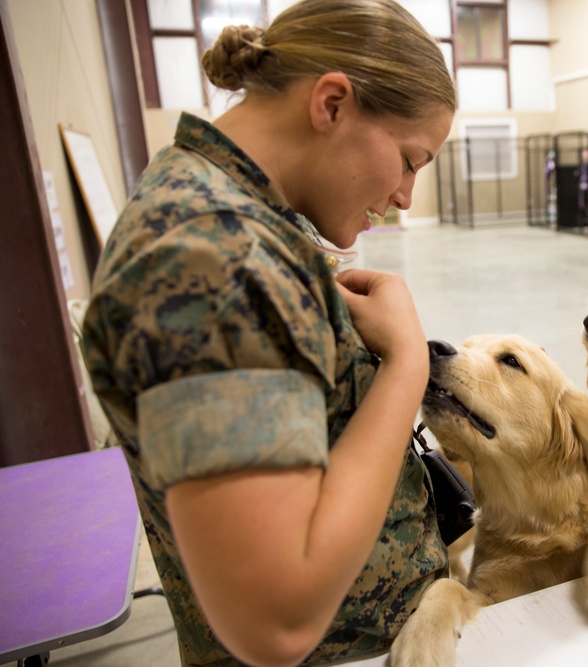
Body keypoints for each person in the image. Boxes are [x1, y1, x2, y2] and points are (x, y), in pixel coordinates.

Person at [80, 1, 456, 665]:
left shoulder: (243, 220)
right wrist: (405, 368)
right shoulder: (216, 258)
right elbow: (277, 617)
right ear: (333, 103)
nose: (405, 195)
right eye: (408, 159)